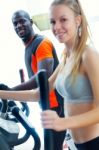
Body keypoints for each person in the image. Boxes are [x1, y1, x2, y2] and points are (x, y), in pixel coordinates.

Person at [0, 0, 99, 149]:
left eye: (63, 19)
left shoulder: (88, 54)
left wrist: (63, 122)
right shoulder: (67, 56)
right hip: (78, 144)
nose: (56, 27)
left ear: (77, 20)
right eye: (52, 21)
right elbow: (39, 94)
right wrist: (2, 93)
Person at [0, 10, 66, 150]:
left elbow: (42, 77)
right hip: (47, 105)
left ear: (30, 22)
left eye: (22, 21)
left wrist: (11, 91)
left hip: (57, 106)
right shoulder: (29, 47)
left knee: (53, 146)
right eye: (15, 23)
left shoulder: (42, 43)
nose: (18, 25)